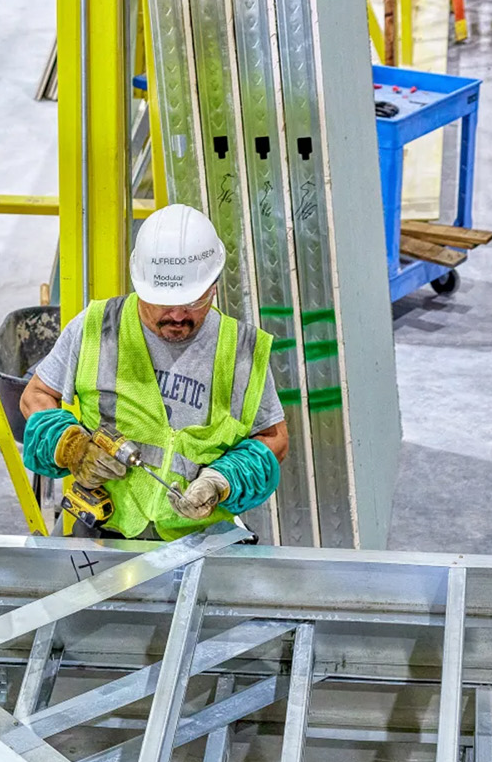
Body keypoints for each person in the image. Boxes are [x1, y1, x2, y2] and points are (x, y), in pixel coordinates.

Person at [15, 204, 289, 539]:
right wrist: (73, 447)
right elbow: (37, 396)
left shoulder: (240, 349)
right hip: (101, 530)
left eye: (192, 302)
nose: (176, 315)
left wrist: (222, 480)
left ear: (213, 286)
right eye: (162, 302)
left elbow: (275, 439)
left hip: (200, 541)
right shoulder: (98, 327)